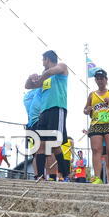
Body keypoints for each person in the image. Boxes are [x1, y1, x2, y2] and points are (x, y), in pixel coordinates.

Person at [25, 51, 69, 181]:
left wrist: (41, 76)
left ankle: (64, 175)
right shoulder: (45, 78)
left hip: (57, 108)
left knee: (55, 145)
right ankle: (39, 176)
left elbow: (51, 71)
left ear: (47, 59)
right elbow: (28, 86)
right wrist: (30, 77)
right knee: (41, 145)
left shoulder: (62, 67)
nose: (42, 63)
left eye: (43, 60)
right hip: (43, 113)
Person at [23, 85, 43, 178]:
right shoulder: (39, 91)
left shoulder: (26, 96)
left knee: (35, 154)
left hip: (30, 125)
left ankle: (36, 175)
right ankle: (45, 175)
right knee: (45, 150)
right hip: (39, 122)